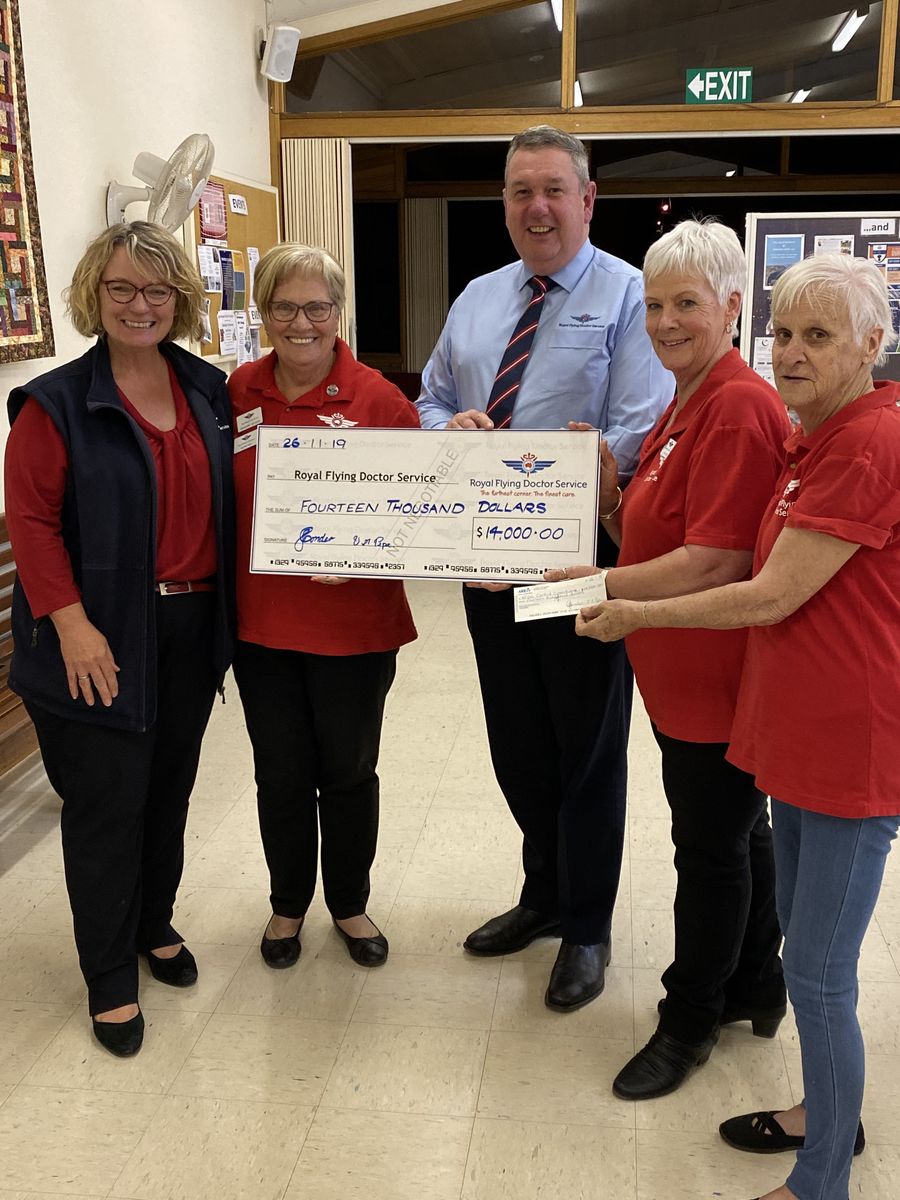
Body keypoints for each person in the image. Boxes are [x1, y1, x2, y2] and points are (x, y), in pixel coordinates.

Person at [575, 253, 899, 1200]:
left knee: (827, 973)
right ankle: (818, 1112)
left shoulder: (868, 442)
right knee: (802, 952)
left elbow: (764, 594)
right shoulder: (815, 436)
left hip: (848, 746)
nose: (792, 354)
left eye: (820, 336)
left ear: (873, 344)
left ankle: (822, 1177)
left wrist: (629, 608)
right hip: (794, 733)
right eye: (786, 334)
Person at [416, 125, 672, 1010]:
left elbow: (642, 425)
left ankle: (589, 926)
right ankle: (543, 895)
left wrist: (574, 461)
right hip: (485, 558)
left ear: (588, 199)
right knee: (518, 743)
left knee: (588, 748)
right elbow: (433, 394)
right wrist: (446, 427)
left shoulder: (634, 296)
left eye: (555, 189)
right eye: (522, 190)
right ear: (505, 203)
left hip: (581, 560)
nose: (538, 207)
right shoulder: (479, 298)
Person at [545, 218, 789, 1097]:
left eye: (686, 302)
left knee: (709, 846)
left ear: (732, 303)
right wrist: (611, 502)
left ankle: (691, 1017)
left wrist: (602, 581)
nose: (665, 321)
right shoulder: (684, 397)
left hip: (715, 671)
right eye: (652, 304)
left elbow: (716, 560)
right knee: (735, 830)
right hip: (677, 666)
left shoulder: (735, 405)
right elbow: (662, 527)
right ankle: (758, 981)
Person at [4, 221, 235, 1057]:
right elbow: (29, 522)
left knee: (168, 791)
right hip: (95, 637)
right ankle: (108, 976)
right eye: (123, 289)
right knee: (107, 808)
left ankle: (153, 924)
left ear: (181, 299)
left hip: (190, 627)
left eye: (159, 290)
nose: (141, 305)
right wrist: (71, 624)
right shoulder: (56, 403)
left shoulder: (209, 390)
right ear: (93, 295)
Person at [229, 243, 418, 970]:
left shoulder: (378, 400)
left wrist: (367, 550)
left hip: (356, 630)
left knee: (346, 773)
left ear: (338, 312)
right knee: (278, 773)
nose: (301, 322)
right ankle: (286, 905)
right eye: (284, 306)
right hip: (261, 626)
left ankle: (348, 902)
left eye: (317, 307)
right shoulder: (237, 393)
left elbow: (420, 516)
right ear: (264, 312)